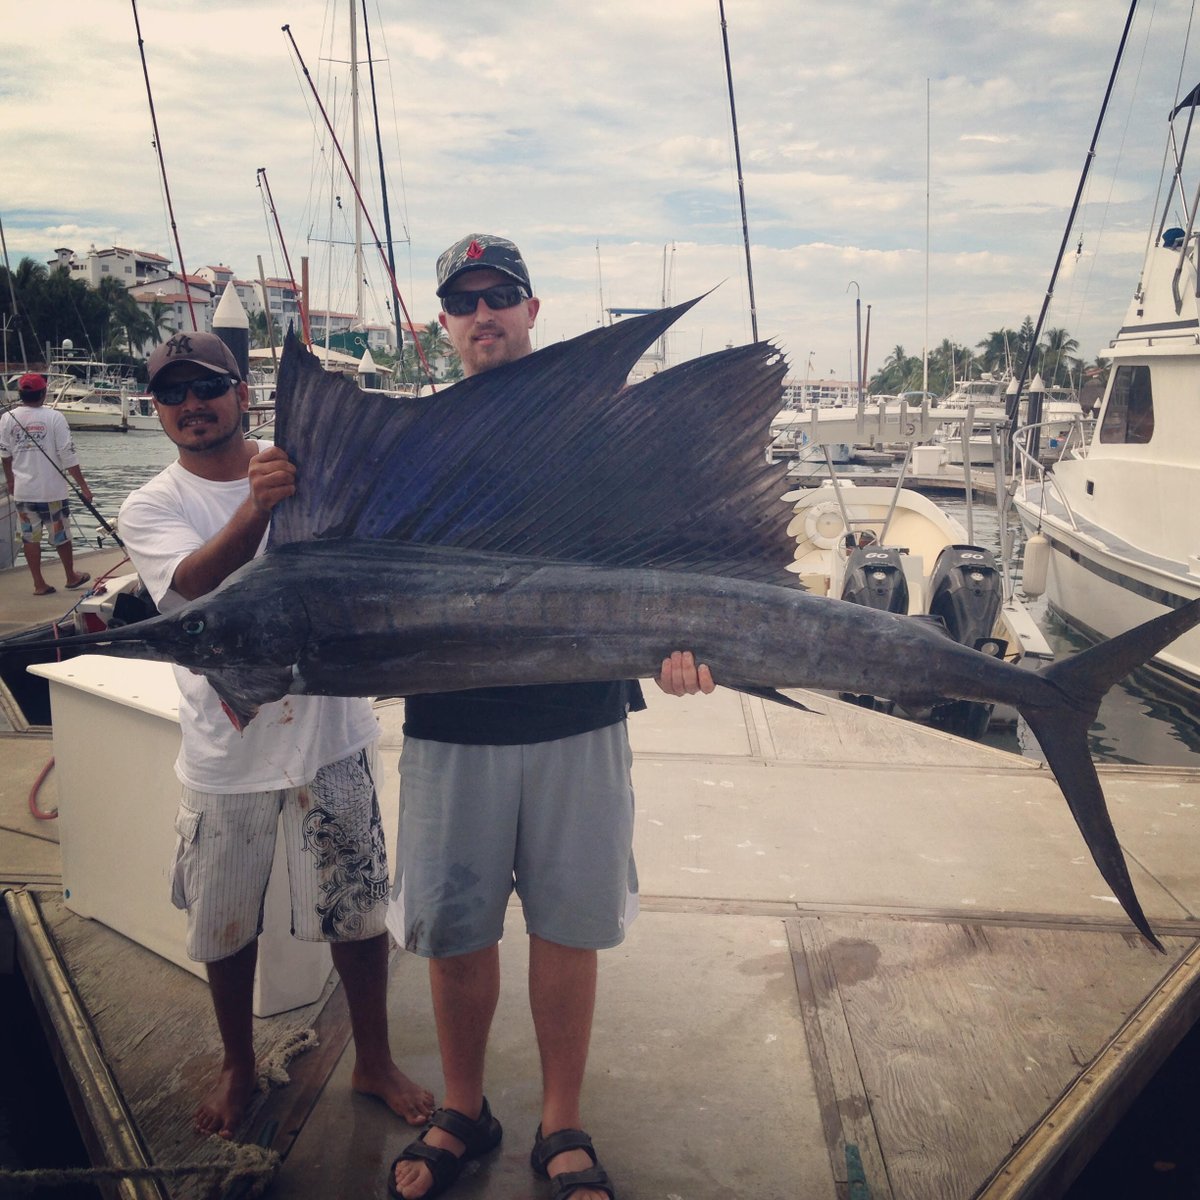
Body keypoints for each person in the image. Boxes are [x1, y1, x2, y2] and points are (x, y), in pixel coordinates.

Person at [386, 235, 714, 1200]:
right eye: (465, 302)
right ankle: (462, 1109)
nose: (484, 314)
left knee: (569, 929)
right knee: (456, 934)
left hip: (579, 717)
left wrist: (685, 645)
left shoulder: (595, 433)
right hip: (452, 727)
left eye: (502, 297)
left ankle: (560, 1121)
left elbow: (664, 552)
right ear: (443, 323)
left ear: (534, 311)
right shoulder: (414, 441)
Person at [117, 330, 435, 1140]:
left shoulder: (303, 464)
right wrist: (259, 508)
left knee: (358, 913)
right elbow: (185, 593)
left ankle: (373, 1058)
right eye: (173, 395)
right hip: (225, 756)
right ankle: (237, 1064)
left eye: (207, 388)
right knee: (224, 921)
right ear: (157, 409)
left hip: (332, 735)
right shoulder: (152, 504)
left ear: (241, 392)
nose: (192, 406)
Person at [0, 372, 94, 595]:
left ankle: (39, 584)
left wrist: (11, 481)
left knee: (29, 537)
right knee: (60, 534)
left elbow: (5, 454)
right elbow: (67, 455)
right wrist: (83, 486)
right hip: (51, 491)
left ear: (21, 393)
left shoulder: (7, 418)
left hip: (23, 492)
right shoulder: (54, 417)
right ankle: (71, 577)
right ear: (43, 393)